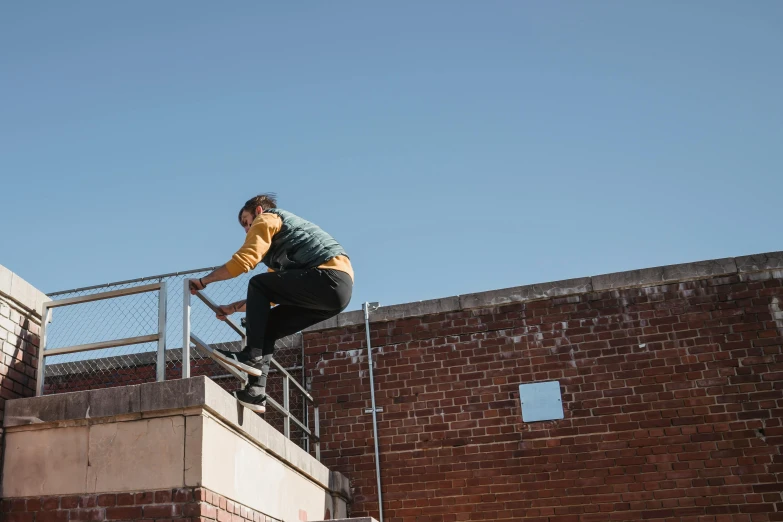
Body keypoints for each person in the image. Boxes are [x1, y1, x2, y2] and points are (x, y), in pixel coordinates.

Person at [188, 193, 353, 412]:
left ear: (258, 211)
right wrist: (234, 308)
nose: (248, 230)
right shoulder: (279, 250)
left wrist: (203, 281)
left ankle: (250, 357)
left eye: (247, 223)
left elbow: (244, 261)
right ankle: (255, 393)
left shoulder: (269, 218)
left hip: (328, 277)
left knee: (258, 283)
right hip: (334, 295)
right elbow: (270, 298)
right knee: (267, 326)